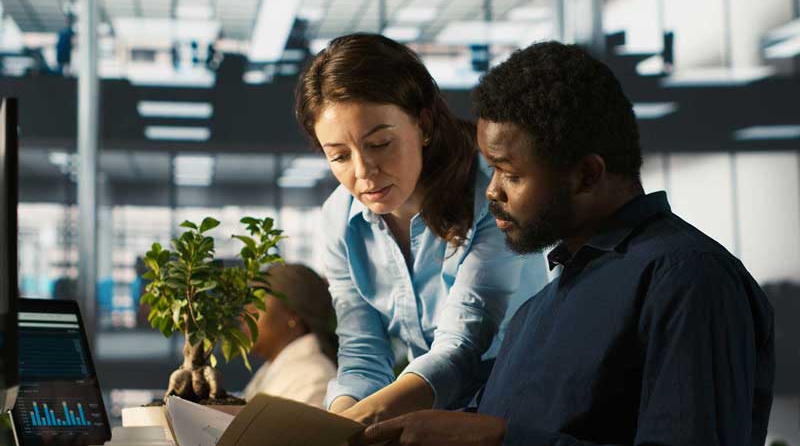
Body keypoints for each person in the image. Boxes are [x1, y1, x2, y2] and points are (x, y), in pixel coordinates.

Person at [354, 41, 774, 445]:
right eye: (492, 170)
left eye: (511, 174)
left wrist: (495, 439)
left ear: (587, 174)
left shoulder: (688, 279)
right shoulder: (539, 308)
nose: (493, 191)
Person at [294, 33, 548, 423]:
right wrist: (339, 422)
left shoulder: (493, 192)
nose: (363, 172)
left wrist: (358, 423)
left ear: (423, 123)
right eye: (340, 156)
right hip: (429, 415)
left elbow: (461, 346)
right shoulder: (339, 219)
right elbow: (362, 353)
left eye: (380, 143)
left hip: (521, 414)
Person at [241, 263, 337, 408]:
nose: (243, 318)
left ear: (292, 315)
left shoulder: (313, 378)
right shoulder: (273, 368)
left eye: (255, 309)